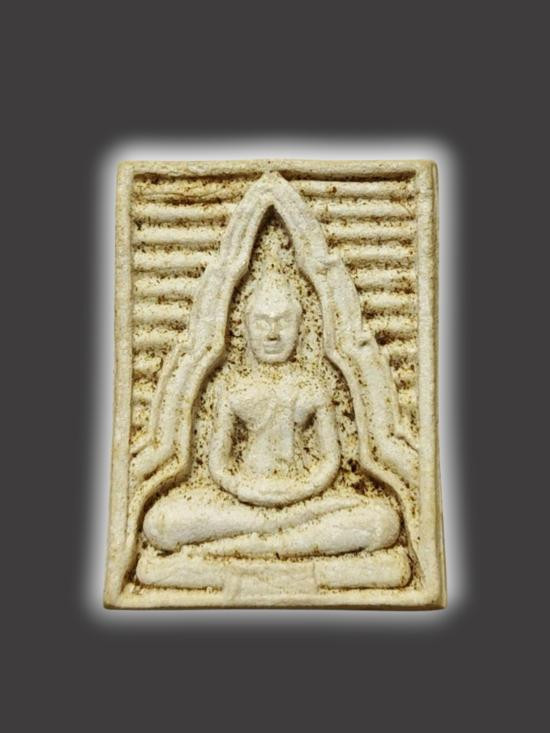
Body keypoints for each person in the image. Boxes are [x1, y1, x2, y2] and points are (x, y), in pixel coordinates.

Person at [142, 271, 401, 558]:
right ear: (244, 328)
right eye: (262, 322)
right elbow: (218, 465)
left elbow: (330, 461)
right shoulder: (234, 388)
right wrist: (243, 489)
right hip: (243, 501)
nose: (273, 334)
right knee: (159, 522)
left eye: (283, 322)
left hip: (305, 499)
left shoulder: (312, 387)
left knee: (383, 521)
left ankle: (239, 547)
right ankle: (280, 540)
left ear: (300, 328)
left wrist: (302, 489)